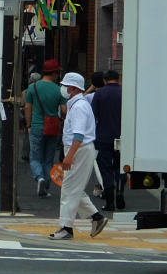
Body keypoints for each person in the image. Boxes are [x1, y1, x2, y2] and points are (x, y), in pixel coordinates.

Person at [49, 72, 110, 240]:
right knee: (73, 188)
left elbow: (78, 135)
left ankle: (66, 227)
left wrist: (69, 156)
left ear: (73, 88)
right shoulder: (78, 104)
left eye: (65, 85)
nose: (63, 88)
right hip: (81, 149)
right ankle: (96, 217)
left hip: (79, 149)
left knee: (69, 189)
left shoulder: (79, 107)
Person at [23, 59, 66, 197]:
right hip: (53, 128)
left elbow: (27, 107)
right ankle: (45, 188)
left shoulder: (33, 88)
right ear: (53, 73)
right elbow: (65, 110)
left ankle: (39, 178)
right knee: (48, 159)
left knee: (35, 157)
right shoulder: (59, 90)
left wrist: (28, 125)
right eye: (57, 72)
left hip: (36, 126)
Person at [91, 70, 124, 210]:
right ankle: (120, 194)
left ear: (105, 80)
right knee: (121, 167)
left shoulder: (99, 94)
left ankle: (110, 201)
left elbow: (94, 115)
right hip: (123, 136)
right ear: (118, 79)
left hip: (103, 136)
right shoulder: (126, 92)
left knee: (106, 168)